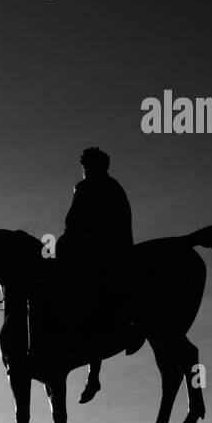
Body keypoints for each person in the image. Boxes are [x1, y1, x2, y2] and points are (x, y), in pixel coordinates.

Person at [56, 147, 136, 405]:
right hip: (117, 253)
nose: (85, 170)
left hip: (95, 254)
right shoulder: (115, 187)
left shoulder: (86, 187)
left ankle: (74, 346)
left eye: (86, 166)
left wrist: (63, 245)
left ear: (92, 166)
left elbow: (73, 223)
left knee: (71, 293)